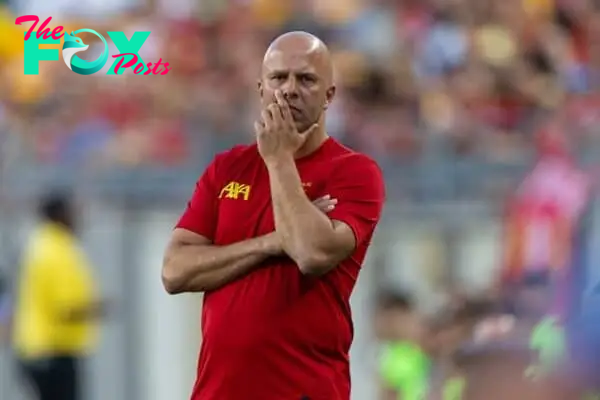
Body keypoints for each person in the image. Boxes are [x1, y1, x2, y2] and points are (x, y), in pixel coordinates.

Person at [162, 31, 385, 400]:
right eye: (278, 78)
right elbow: (174, 271)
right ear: (261, 88)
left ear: (329, 95)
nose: (290, 89)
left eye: (306, 79)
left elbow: (311, 254)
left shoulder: (355, 172)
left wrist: (279, 159)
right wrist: (270, 243)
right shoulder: (227, 168)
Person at [12, 191, 104, 400]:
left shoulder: (37, 245)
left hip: (34, 348)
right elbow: (66, 309)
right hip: (54, 350)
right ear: (60, 214)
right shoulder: (58, 251)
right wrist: (98, 308)